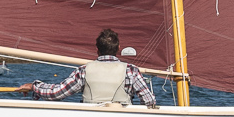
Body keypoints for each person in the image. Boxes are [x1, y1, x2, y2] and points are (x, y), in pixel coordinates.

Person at [26, 28, 159, 107]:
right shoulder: (131, 71)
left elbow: (56, 93)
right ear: (118, 49)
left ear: (97, 50)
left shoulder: (83, 71)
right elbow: (149, 101)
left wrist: (34, 86)